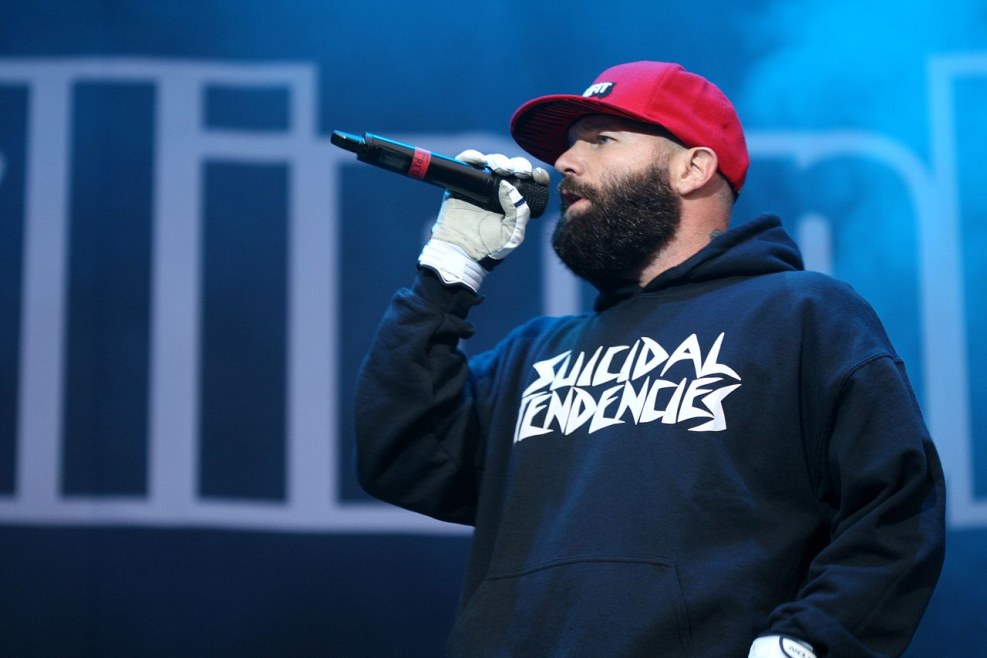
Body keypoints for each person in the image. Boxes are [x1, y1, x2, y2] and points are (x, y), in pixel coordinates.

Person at [354, 61, 946, 658]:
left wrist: (806, 643)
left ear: (693, 168)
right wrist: (450, 266)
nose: (564, 162)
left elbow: (895, 507)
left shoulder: (801, 314)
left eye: (601, 139)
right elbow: (404, 456)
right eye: (568, 145)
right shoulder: (534, 352)